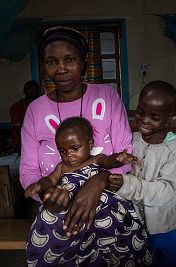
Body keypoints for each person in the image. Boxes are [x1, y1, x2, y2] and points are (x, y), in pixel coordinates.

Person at [19, 26, 144, 264]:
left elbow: (124, 152)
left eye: (69, 59)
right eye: (51, 61)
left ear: (83, 62)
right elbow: (28, 170)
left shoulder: (107, 96)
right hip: (58, 201)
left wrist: (99, 181)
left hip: (108, 194)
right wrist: (49, 195)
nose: (61, 68)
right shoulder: (35, 110)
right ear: (44, 66)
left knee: (117, 247)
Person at [24, 117, 151, 266]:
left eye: (75, 148)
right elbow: (50, 180)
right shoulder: (61, 167)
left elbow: (108, 161)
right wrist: (39, 185)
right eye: (62, 151)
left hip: (100, 202)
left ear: (90, 144)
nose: (69, 155)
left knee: (116, 222)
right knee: (51, 220)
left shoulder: (96, 159)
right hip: (71, 203)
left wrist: (119, 158)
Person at [109, 80, 176, 267]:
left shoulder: (174, 149)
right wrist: (120, 159)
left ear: (170, 117)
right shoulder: (134, 139)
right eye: (140, 112)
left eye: (154, 117)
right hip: (137, 227)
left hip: (166, 228)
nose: (144, 120)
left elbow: (167, 192)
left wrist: (128, 185)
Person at [10, 80, 40, 153]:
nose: (32, 90)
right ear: (24, 91)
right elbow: (19, 129)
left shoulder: (41, 106)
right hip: (21, 143)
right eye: (30, 88)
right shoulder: (16, 107)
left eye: (35, 88)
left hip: (39, 140)